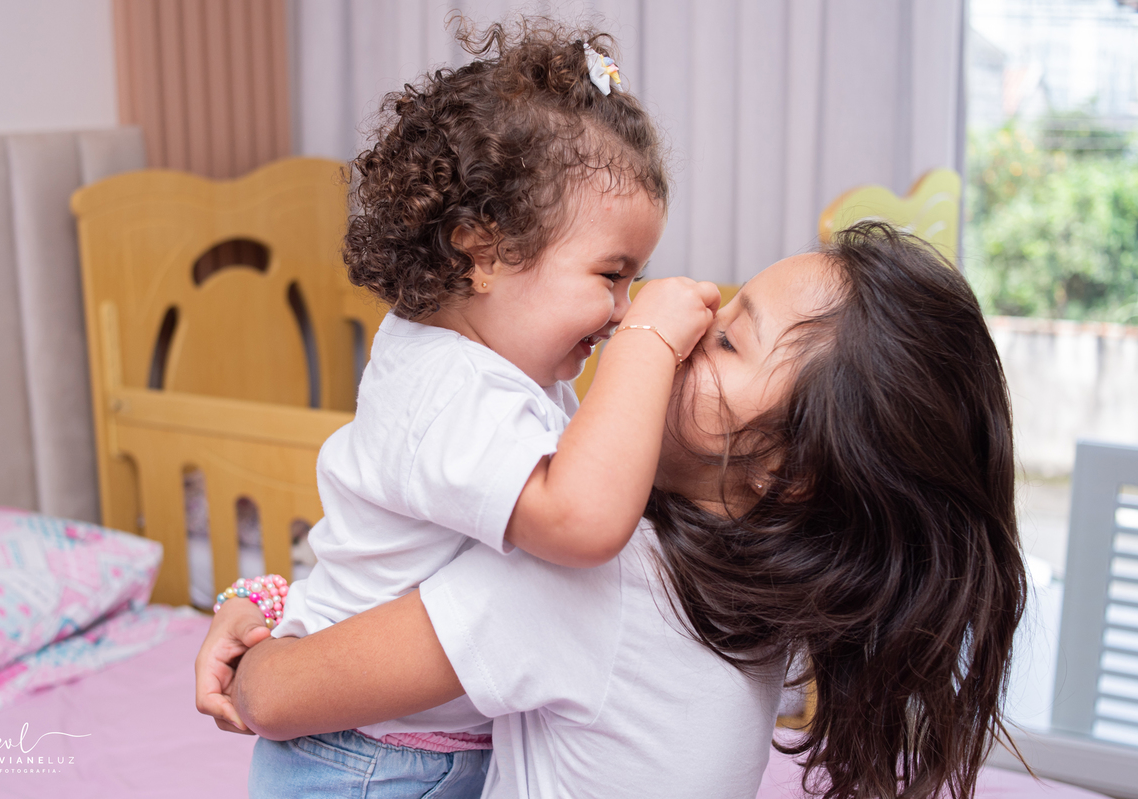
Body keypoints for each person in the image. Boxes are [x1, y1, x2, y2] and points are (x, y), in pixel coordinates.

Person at [198, 223, 1028, 799]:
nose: (681, 317)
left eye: (730, 340)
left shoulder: (597, 574)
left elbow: (277, 697)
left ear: (789, 473)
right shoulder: (757, 590)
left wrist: (253, 626)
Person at [203, 17, 721, 799]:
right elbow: (582, 520)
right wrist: (646, 342)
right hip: (363, 759)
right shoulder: (447, 385)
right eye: (612, 275)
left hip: (423, 743)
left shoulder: (506, 368)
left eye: (635, 282)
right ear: (482, 251)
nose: (623, 307)